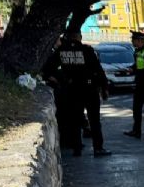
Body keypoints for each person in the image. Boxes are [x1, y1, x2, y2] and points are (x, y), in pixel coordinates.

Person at [42, 29, 111, 157]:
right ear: (80, 37)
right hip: (90, 89)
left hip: (72, 90)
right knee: (94, 120)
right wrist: (104, 87)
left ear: (68, 37)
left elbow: (47, 69)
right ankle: (98, 148)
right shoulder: (87, 50)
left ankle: (77, 149)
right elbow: (98, 70)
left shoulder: (61, 51)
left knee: (75, 120)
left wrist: (61, 80)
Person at [124, 30, 144, 140]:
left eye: (133, 40)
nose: (132, 42)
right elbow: (137, 65)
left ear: (139, 40)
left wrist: (135, 71)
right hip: (139, 85)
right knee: (136, 109)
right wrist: (131, 68)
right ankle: (136, 131)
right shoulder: (137, 52)